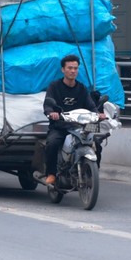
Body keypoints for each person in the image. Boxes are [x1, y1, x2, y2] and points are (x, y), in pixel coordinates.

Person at [43, 54, 104, 186]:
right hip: (60, 126)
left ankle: (93, 173)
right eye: (70, 68)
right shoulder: (54, 86)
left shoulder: (81, 88)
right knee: (52, 144)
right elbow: (48, 102)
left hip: (80, 127)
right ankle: (51, 174)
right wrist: (51, 112)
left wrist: (98, 114)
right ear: (63, 70)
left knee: (97, 143)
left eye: (75, 68)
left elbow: (91, 105)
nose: (73, 71)